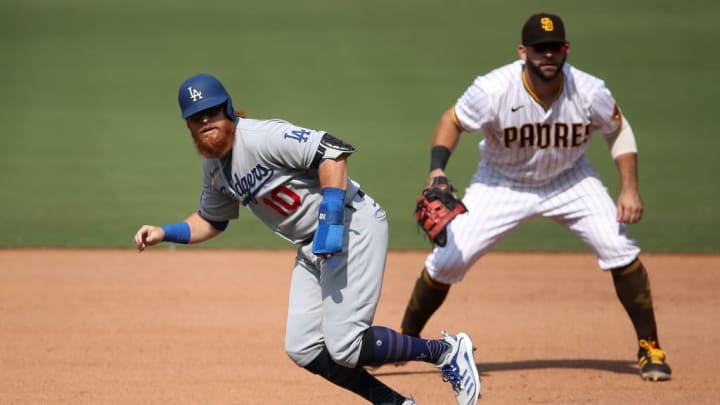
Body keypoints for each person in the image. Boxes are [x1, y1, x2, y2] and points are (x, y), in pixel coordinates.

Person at [133, 73, 481, 404]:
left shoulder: (261, 137)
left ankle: (446, 352)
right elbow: (212, 220)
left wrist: (330, 222)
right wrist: (165, 232)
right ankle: (393, 401)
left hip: (350, 224)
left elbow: (333, 152)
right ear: (189, 126)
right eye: (197, 118)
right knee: (304, 348)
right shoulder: (214, 168)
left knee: (346, 347)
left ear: (227, 109)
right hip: (313, 246)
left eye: (212, 112)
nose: (207, 121)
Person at [399, 12, 672, 382]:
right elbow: (453, 121)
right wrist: (438, 170)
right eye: (539, 48)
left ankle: (650, 347)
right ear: (522, 51)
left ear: (566, 50)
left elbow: (618, 131)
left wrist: (629, 187)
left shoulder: (589, 90)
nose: (548, 55)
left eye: (554, 47)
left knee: (617, 246)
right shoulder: (493, 89)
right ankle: (405, 341)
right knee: (446, 262)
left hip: (571, 181)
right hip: (501, 183)